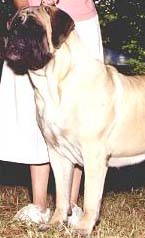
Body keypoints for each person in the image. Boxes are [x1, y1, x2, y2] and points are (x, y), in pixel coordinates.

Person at [0, 0, 103, 225]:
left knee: (82, 121)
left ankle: (71, 207)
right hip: (31, 21)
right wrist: (24, 10)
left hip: (77, 21)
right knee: (35, 115)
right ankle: (39, 206)